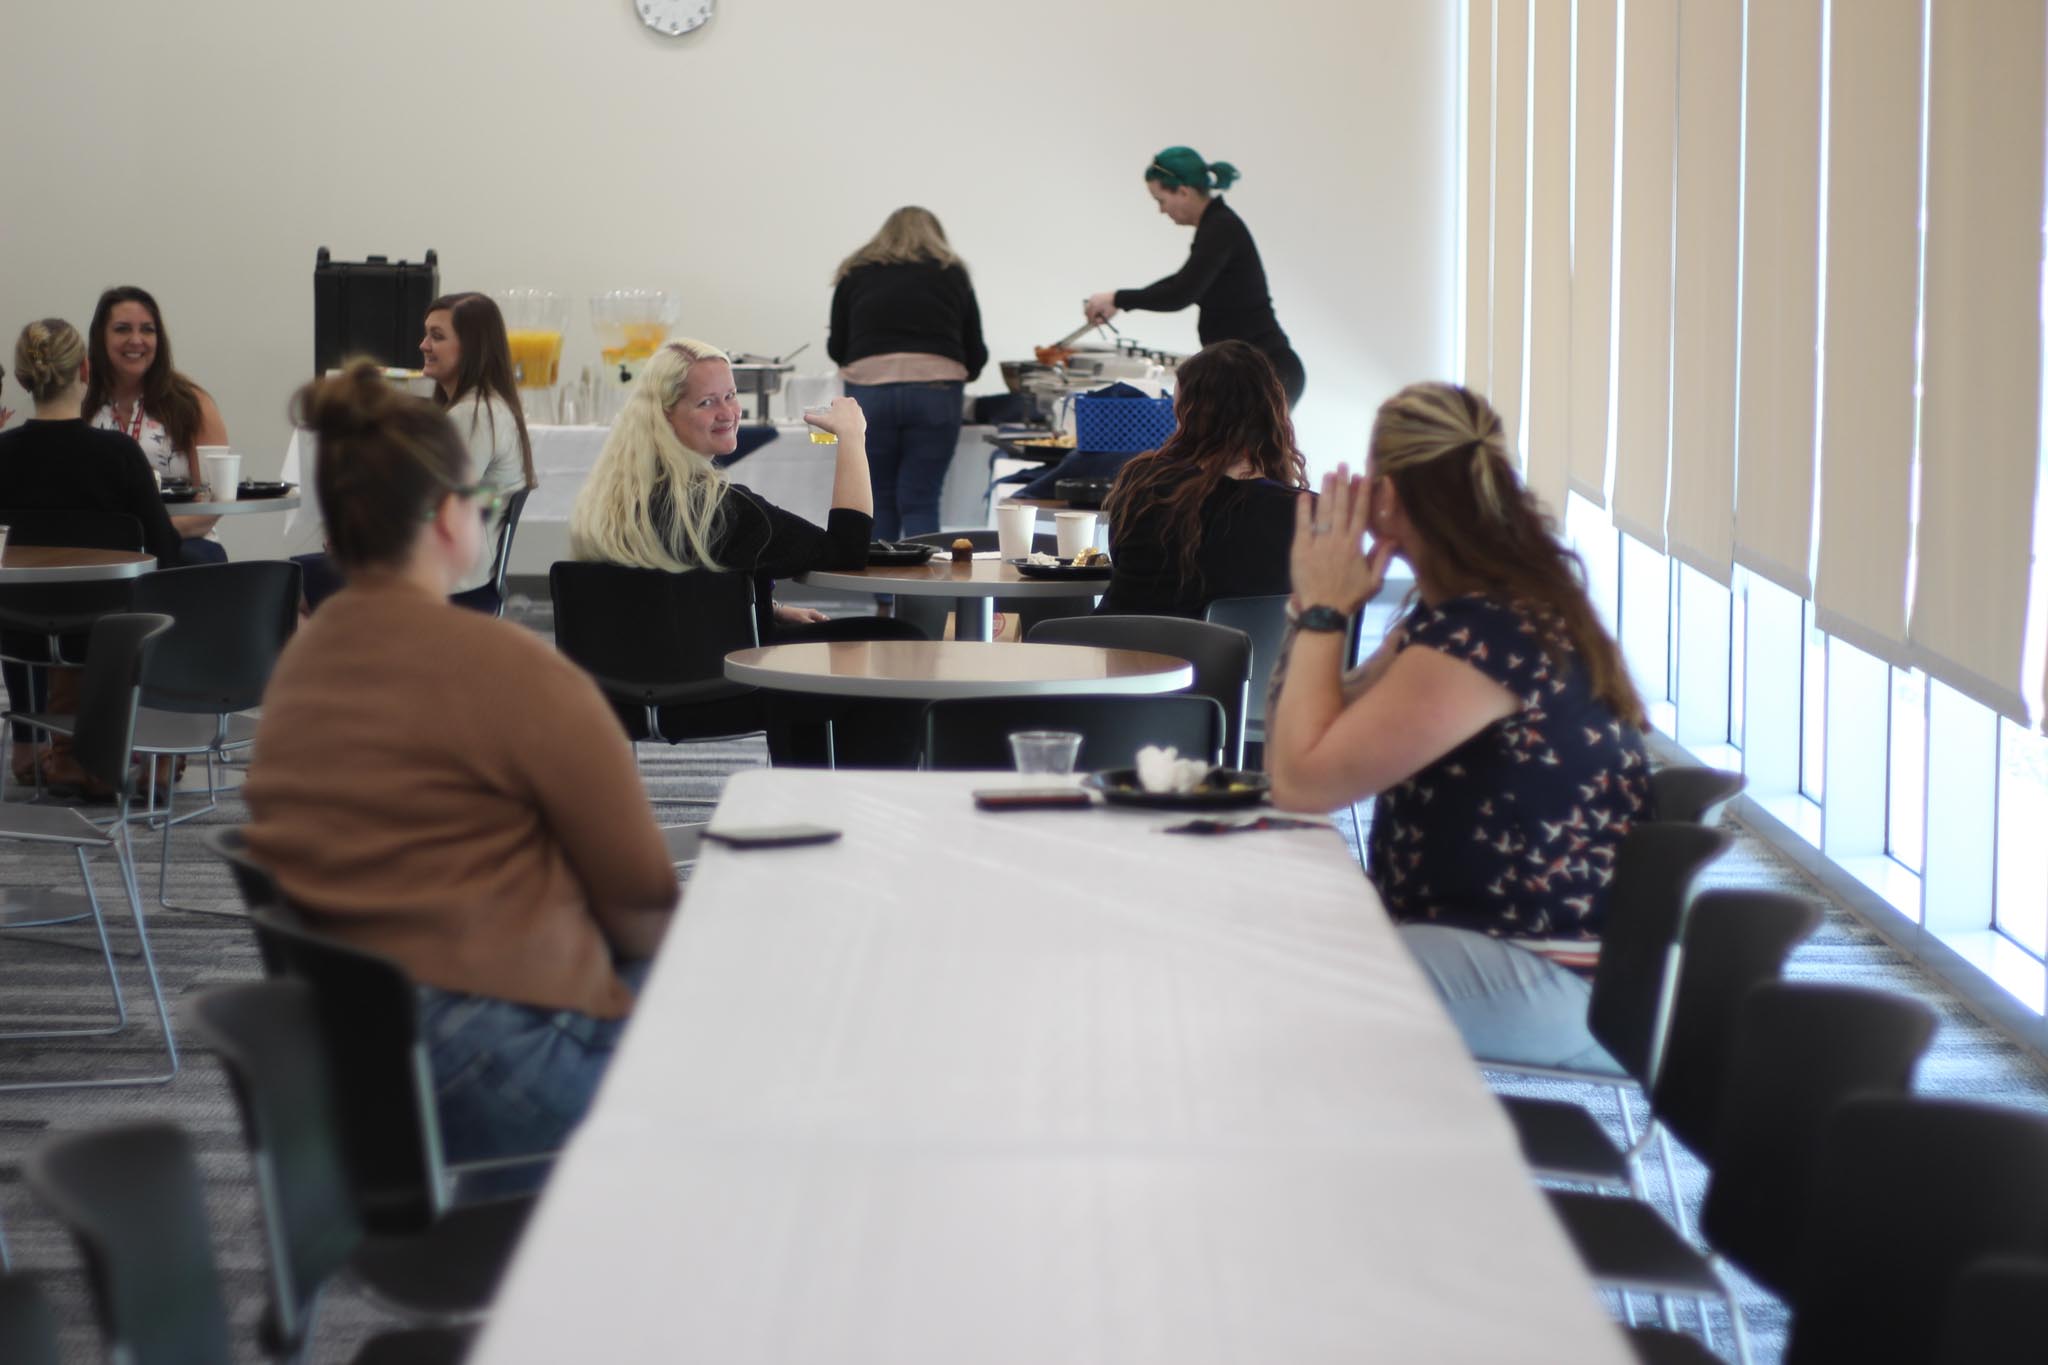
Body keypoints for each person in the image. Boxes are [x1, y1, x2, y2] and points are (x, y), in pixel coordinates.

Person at [242, 361, 678, 1188]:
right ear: (451, 517)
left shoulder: (300, 667)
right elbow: (644, 902)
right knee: (763, 1023)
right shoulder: (508, 666)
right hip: (490, 1063)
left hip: (359, 1068)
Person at [1267, 382, 1653, 1071]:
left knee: (1275, 975)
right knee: (1268, 939)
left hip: (1551, 977)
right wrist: (1311, 610)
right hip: (1489, 942)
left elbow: (1301, 781)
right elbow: (1312, 726)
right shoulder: (1475, 613)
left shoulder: (1488, 638)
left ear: (1387, 496)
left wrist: (1326, 612)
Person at [570, 339, 925, 764]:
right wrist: (851, 437)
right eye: (707, 402)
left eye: (731, 395)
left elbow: (661, 593)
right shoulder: (721, 509)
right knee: (898, 645)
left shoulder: (607, 502)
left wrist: (759, 607)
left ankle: (810, 797)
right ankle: (852, 805)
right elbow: (847, 549)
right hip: (722, 692)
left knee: (809, 650)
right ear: (665, 416)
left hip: (616, 696)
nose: (728, 412)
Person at [0, 319, 187, 792]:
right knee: (188, 580)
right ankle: (153, 744)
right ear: (85, 368)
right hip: (110, 635)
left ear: (23, 379)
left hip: (15, 633)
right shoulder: (119, 454)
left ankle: (34, 744)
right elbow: (165, 551)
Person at [1095, 340, 1308, 618]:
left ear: (1189, 417)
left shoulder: (1145, 482)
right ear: (1272, 416)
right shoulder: (1303, 512)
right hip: (1242, 659)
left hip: (1117, 648)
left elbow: (1122, 565)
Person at [1083, 146, 1305, 409]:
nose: (1161, 211)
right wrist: (1117, 300)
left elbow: (1180, 293)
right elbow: (1183, 281)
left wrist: (1118, 298)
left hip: (1267, 374)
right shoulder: (1216, 225)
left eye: (1160, 200)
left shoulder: (1221, 226)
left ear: (1184, 192)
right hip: (1254, 373)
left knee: (1239, 450)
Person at [827, 207, 987, 541]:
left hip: (870, 390)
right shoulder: (952, 272)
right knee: (921, 498)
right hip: (937, 391)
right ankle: (927, 590)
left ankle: (884, 591)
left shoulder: (854, 272)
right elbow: (975, 349)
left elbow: (837, 347)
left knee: (877, 498)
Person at [81, 285, 230, 563]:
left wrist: (151, 534)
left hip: (185, 543)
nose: (136, 340)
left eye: (147, 330)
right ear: (100, 337)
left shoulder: (192, 403)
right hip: (102, 547)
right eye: (122, 329)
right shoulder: (81, 404)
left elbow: (214, 501)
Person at [419, 292, 534, 611]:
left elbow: (435, 509)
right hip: (460, 582)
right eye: (427, 334)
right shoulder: (489, 407)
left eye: (436, 336)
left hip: (451, 591)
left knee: (295, 589)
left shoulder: (472, 414)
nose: (423, 345)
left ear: (471, 349)